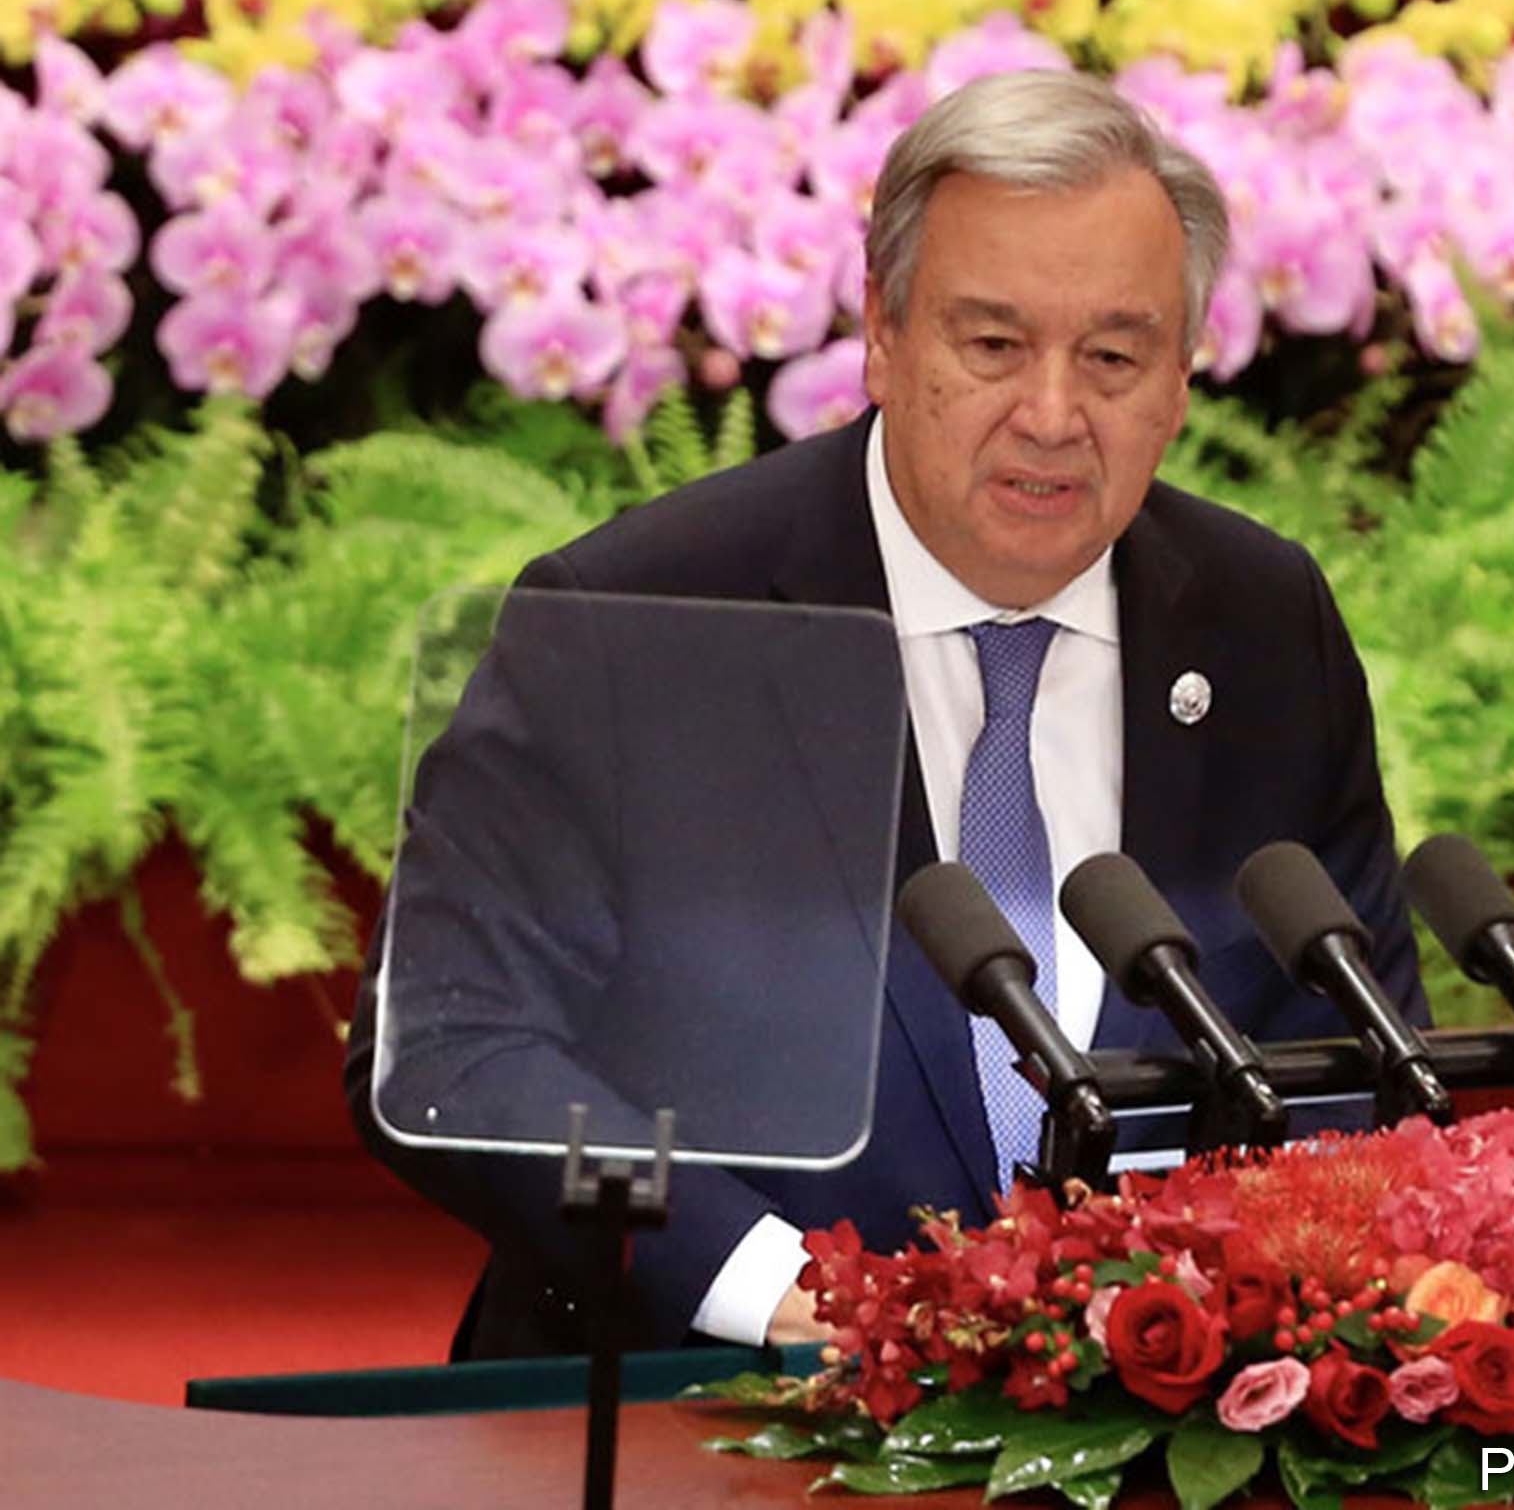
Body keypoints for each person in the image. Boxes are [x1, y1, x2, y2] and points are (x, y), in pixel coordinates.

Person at [345, 70, 1425, 1359]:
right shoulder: (643, 615)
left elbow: (1352, 1058)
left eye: (1115, 358)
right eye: (992, 345)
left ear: (1183, 378)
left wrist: (1209, 1303)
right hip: (698, 1413)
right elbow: (451, 1044)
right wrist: (776, 1295)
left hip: (1157, 1419)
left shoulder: (1260, 627)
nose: (1052, 415)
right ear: (883, 332)